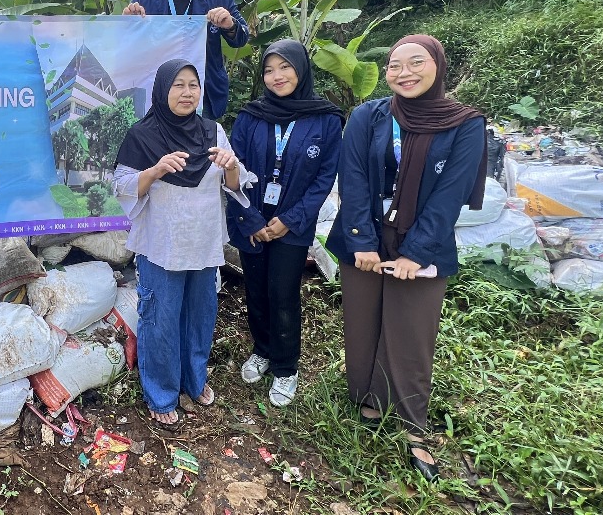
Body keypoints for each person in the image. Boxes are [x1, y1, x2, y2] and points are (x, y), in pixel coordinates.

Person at [326, 34, 486, 482]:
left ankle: (413, 426)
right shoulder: (368, 116)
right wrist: (360, 240)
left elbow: (451, 193)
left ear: (437, 65)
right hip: (366, 235)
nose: (404, 73)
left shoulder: (463, 123)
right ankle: (369, 398)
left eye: (416, 63)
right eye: (395, 66)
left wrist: (417, 252)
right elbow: (352, 177)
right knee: (362, 321)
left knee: (412, 332)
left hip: (423, 240)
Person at [113, 59, 255, 428]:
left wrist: (232, 168)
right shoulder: (142, 136)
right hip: (162, 246)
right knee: (160, 320)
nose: (187, 92)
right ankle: (161, 394)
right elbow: (122, 188)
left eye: (193, 85)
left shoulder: (212, 131)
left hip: (204, 243)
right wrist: (156, 169)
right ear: (162, 90)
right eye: (178, 85)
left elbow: (236, 186)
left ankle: (194, 380)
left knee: (200, 316)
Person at [226, 39, 344, 407]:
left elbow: (324, 178)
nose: (276, 77)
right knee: (256, 290)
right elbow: (234, 169)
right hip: (252, 221)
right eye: (268, 70)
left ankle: (286, 367)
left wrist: (289, 221)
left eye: (284, 68)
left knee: (283, 295)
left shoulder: (325, 119)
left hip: (293, 226)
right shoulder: (250, 117)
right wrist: (253, 219)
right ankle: (262, 349)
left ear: (301, 69)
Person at [122, 0, 250, 120]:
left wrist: (229, 25)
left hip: (204, 96)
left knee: (202, 149)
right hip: (156, 95)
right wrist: (128, 25)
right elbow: (130, 50)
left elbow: (241, 38)